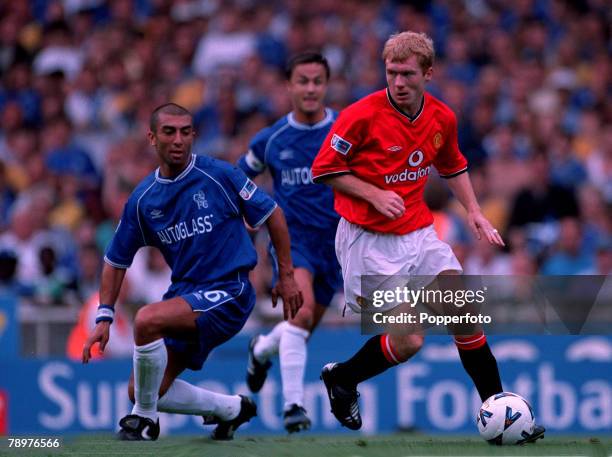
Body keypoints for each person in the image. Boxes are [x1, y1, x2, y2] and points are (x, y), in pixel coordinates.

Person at [311, 31, 545, 442]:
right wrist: (373, 193)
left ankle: (502, 413)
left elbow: (452, 163)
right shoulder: (362, 114)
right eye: (391, 73)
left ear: (428, 73)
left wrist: (473, 210)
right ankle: (344, 378)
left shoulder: (442, 117)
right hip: (367, 243)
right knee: (411, 339)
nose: (398, 82)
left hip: (418, 233)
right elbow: (325, 168)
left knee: (462, 312)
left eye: (406, 74)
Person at [82, 103, 303, 441]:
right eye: (169, 132)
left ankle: (144, 421)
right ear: (152, 138)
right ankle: (231, 409)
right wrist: (104, 317)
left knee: (146, 320)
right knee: (141, 388)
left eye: (186, 132)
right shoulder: (143, 200)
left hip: (230, 290)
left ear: (194, 135)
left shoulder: (219, 175)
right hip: (186, 294)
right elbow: (115, 260)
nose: (179, 139)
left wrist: (285, 276)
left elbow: (272, 213)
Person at [237, 52, 341, 433]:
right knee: (302, 313)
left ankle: (261, 350)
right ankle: (293, 407)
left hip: (338, 246)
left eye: (317, 81)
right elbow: (239, 183)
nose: (311, 88)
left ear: (326, 85)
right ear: (289, 86)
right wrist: (247, 235)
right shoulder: (270, 140)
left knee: (302, 326)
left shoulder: (346, 129)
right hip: (293, 243)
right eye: (303, 81)